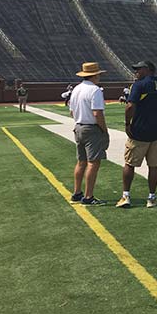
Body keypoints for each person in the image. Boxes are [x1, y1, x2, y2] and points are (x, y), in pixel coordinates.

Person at [116, 61, 157, 209]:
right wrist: (156, 115)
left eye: (138, 69)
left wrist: (127, 123)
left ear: (148, 70)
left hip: (139, 131)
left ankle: (126, 196)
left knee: (129, 163)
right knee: (153, 166)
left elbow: (130, 106)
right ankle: (151, 198)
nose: (136, 72)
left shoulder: (139, 85)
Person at [68, 62, 109, 206]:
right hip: (91, 129)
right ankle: (88, 196)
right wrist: (104, 130)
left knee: (81, 162)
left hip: (78, 126)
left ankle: (77, 192)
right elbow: (97, 113)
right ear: (95, 75)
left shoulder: (76, 89)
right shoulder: (95, 90)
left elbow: (71, 111)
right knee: (93, 163)